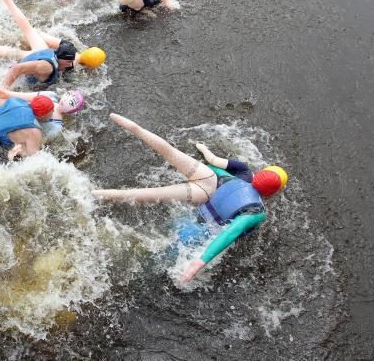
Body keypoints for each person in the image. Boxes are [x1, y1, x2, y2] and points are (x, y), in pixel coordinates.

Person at [91, 114, 288, 282]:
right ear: (272, 192)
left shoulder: (244, 172)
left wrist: (202, 149)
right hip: (196, 227)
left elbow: (214, 164)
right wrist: (199, 262)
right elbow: (231, 232)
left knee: (168, 151)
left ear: (262, 173)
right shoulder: (256, 211)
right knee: (142, 213)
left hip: (211, 177)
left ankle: (132, 128)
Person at [0, 0, 106, 87]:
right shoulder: (76, 67)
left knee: (23, 23)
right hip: (42, 57)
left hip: (44, 50)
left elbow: (41, 35)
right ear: (90, 66)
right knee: (3, 52)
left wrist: (31, 34)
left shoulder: (70, 47)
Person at [0, 86, 84, 139]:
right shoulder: (56, 127)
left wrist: (7, 93)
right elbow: (40, 142)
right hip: (15, 126)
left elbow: (23, 96)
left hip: (11, 108)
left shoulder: (50, 95)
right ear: (71, 112)